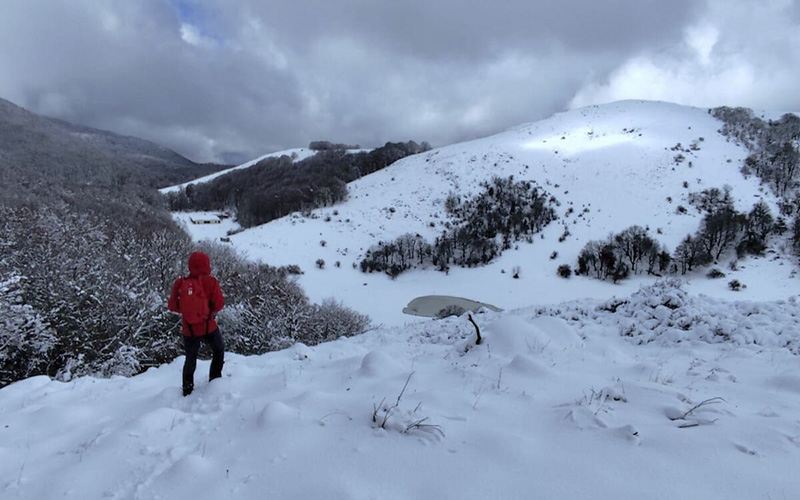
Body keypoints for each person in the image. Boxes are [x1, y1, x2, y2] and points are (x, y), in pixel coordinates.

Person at [168, 251, 225, 396]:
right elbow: (219, 304)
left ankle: (187, 389)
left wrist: (188, 310)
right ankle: (215, 380)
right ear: (207, 265)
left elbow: (172, 306)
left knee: (190, 358)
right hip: (208, 326)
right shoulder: (211, 282)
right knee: (218, 350)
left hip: (189, 329)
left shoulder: (180, 283)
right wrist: (208, 311)